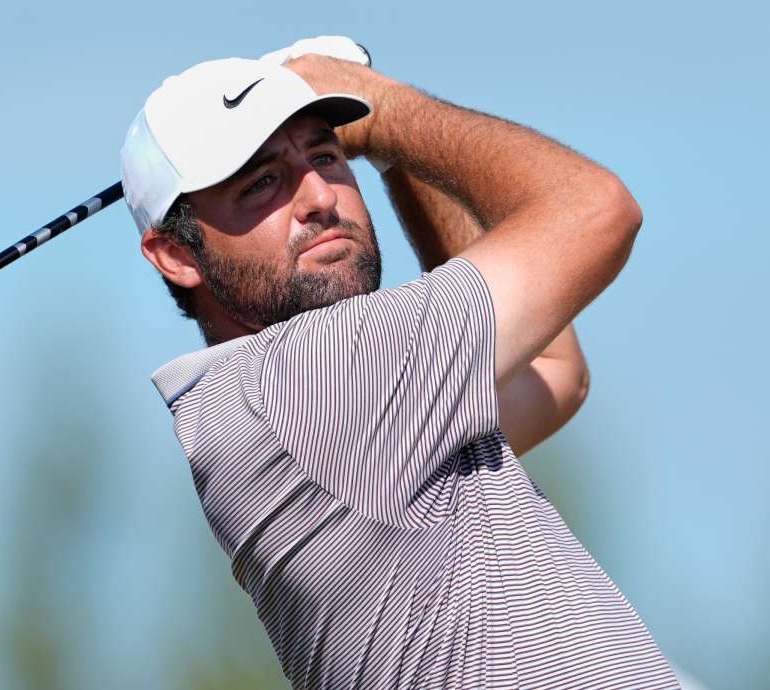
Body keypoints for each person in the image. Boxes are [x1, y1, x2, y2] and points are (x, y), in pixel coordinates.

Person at [120, 38, 678, 689]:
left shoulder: (332, 402)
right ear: (175, 255)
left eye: (328, 156)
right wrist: (385, 118)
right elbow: (597, 209)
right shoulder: (302, 379)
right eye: (261, 183)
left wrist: (391, 153)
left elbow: (552, 372)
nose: (319, 198)